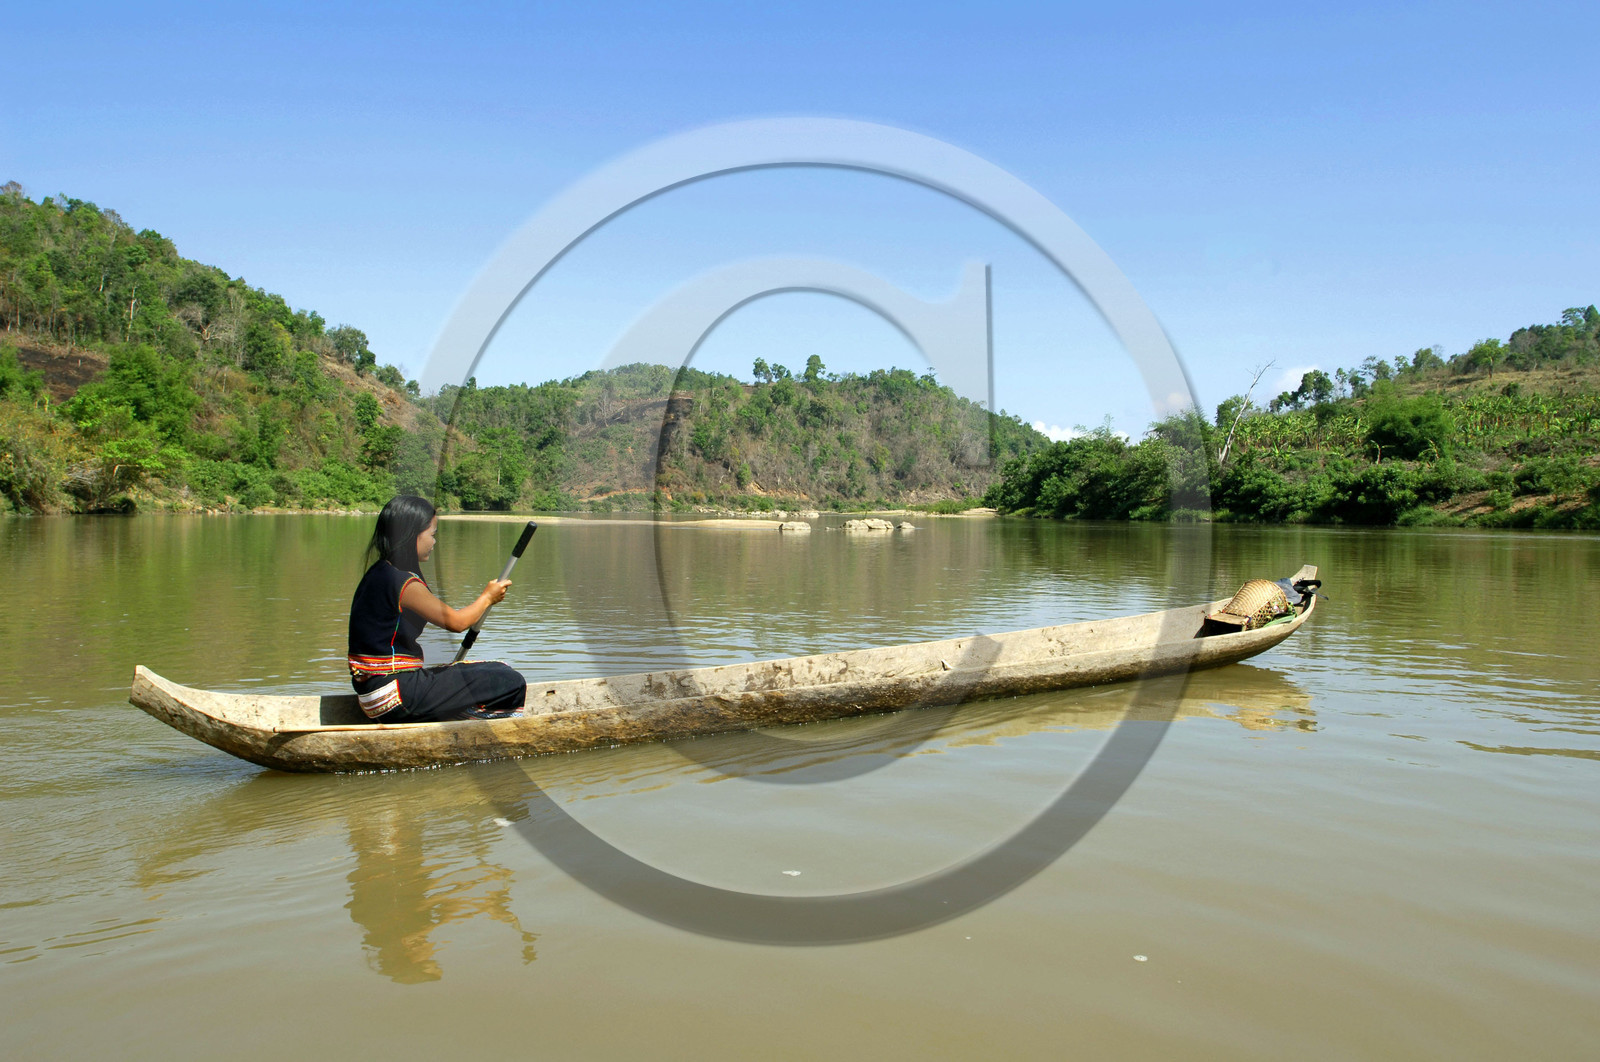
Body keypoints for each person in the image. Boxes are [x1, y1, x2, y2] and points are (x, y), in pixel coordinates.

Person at [347, 495, 527, 722]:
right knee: (510, 681)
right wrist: (487, 598)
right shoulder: (400, 582)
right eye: (431, 535)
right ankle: (468, 724)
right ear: (411, 535)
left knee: (499, 668)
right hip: (393, 695)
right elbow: (456, 622)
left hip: (380, 692)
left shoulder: (381, 571)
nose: (434, 542)